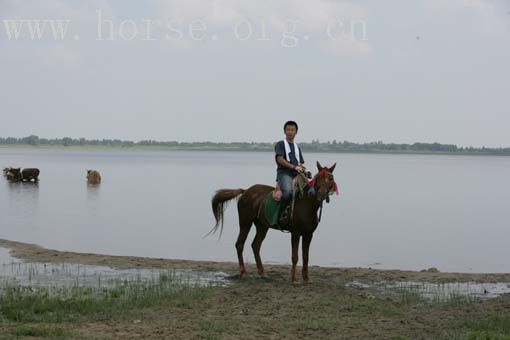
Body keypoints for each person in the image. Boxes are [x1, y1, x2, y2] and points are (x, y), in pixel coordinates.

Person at [274, 120, 305, 229]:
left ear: (296, 132)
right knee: (287, 193)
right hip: (284, 173)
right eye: (288, 129)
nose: (290, 132)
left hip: (297, 174)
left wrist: (301, 168)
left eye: (292, 130)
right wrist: (293, 167)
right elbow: (280, 159)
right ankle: (281, 216)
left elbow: (300, 162)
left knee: (309, 191)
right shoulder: (280, 144)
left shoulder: (297, 147)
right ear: (284, 131)